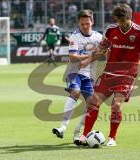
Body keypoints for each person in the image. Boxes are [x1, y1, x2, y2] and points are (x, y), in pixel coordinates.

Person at [77, 3, 140, 147]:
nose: (120, 24)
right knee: (93, 102)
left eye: (123, 21)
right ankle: (84, 135)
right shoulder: (111, 30)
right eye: (118, 20)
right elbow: (101, 50)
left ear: (129, 18)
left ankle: (112, 138)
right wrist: (87, 61)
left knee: (116, 105)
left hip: (127, 74)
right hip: (109, 72)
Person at [52, 10, 104, 144]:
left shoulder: (98, 37)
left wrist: (93, 57)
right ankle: (62, 127)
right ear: (78, 24)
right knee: (75, 92)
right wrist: (91, 56)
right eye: (82, 24)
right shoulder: (75, 36)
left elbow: (103, 52)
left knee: (91, 104)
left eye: (87, 23)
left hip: (90, 75)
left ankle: (77, 133)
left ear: (92, 22)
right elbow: (73, 57)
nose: (85, 26)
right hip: (74, 72)